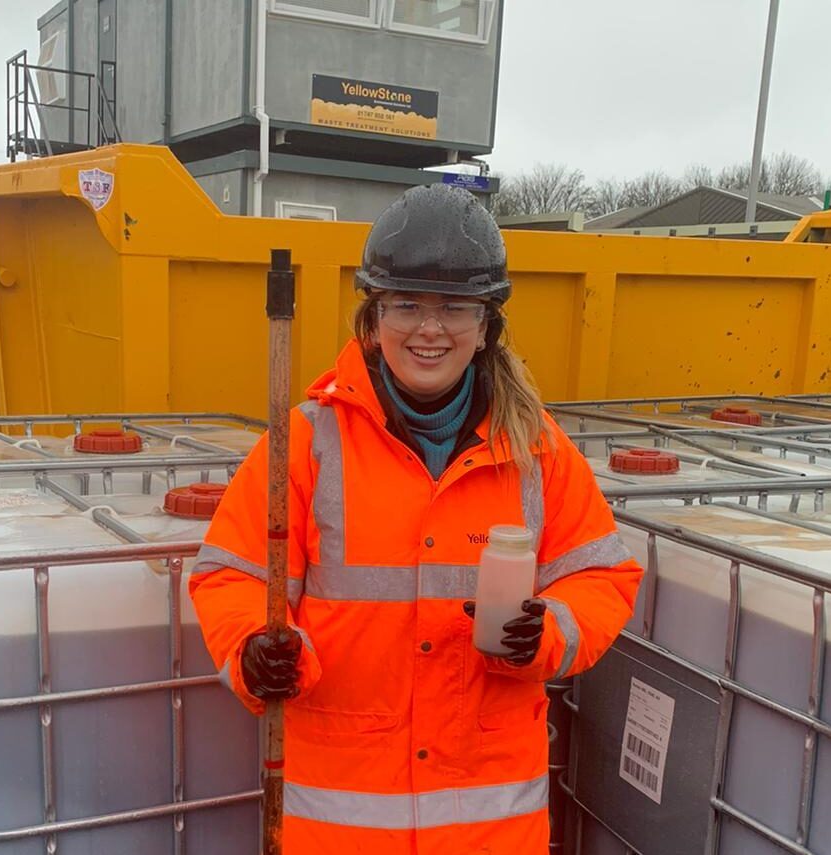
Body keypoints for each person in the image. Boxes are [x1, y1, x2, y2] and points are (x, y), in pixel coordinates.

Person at [190, 184, 643, 854]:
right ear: (372, 321)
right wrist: (254, 646)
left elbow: (602, 576)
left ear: (487, 326)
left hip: (487, 827)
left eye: (455, 307)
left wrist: (550, 631)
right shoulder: (306, 444)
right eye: (406, 304)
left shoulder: (538, 452)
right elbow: (230, 574)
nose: (429, 328)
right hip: (343, 828)